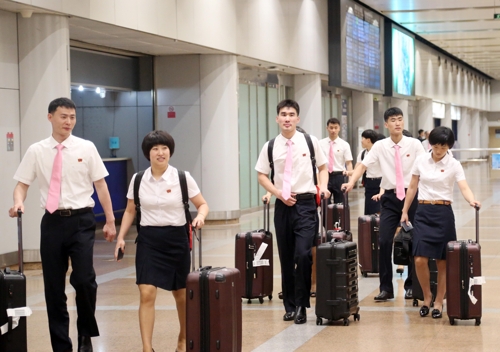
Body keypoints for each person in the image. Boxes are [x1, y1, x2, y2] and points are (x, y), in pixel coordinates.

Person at [8, 97, 117, 352]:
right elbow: (22, 184)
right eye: (63, 117)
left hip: (81, 220)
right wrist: (18, 202)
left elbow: (101, 185)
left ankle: (84, 336)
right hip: (52, 222)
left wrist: (110, 220)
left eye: (72, 117)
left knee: (84, 280)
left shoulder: (86, 147)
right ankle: (61, 345)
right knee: (53, 288)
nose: (68, 122)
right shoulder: (37, 150)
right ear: (50, 117)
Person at [114, 131, 208, 352]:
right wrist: (120, 237)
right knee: (146, 292)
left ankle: (183, 340)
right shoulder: (138, 179)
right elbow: (130, 211)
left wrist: (200, 217)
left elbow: (202, 204)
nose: (160, 152)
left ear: (170, 151)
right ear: (148, 153)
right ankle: (147, 348)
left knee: (182, 295)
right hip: (148, 240)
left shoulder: (182, 178)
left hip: (176, 240)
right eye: (155, 148)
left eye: (164, 148)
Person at [255, 99, 329, 324]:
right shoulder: (270, 146)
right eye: (283, 114)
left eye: (291, 114)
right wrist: (278, 193)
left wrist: (323, 186)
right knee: (286, 257)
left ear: (298, 118)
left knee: (304, 254)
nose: (287, 118)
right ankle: (289, 305)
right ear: (277, 118)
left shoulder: (309, 141)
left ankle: (302, 304)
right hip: (282, 206)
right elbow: (261, 175)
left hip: (306, 204)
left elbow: (323, 167)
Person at [342, 107, 426, 301]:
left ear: (403, 122)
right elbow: (362, 165)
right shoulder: (380, 146)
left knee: (414, 240)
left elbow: (425, 166)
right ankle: (386, 287)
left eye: (400, 119)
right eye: (393, 120)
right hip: (389, 198)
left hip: (411, 196)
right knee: (384, 241)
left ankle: (411, 285)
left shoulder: (414, 145)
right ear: (386, 124)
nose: (397, 123)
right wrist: (352, 181)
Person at [400, 127, 480, 319]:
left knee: (443, 262)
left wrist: (472, 200)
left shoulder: (454, 164)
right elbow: (412, 187)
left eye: (442, 146)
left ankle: (438, 301)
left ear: (449, 146)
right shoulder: (421, 160)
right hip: (423, 212)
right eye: (435, 145)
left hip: (443, 213)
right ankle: (427, 296)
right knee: (419, 259)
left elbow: (464, 186)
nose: (438, 149)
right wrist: (404, 211)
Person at [319, 118, 353, 203]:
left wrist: (351, 181)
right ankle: (325, 216)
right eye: (331, 127)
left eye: (335, 127)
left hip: (339, 176)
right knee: (324, 203)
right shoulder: (320, 143)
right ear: (327, 128)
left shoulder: (344, 145)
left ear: (339, 128)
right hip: (325, 176)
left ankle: (339, 217)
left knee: (341, 203)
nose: (333, 130)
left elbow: (348, 163)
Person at [354, 129, 383, 215]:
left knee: (380, 209)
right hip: (369, 183)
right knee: (369, 209)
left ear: (368, 140)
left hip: (381, 182)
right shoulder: (363, 153)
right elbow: (358, 169)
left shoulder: (379, 152)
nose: (361, 141)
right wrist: (349, 176)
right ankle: (370, 227)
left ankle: (379, 227)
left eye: (362, 138)